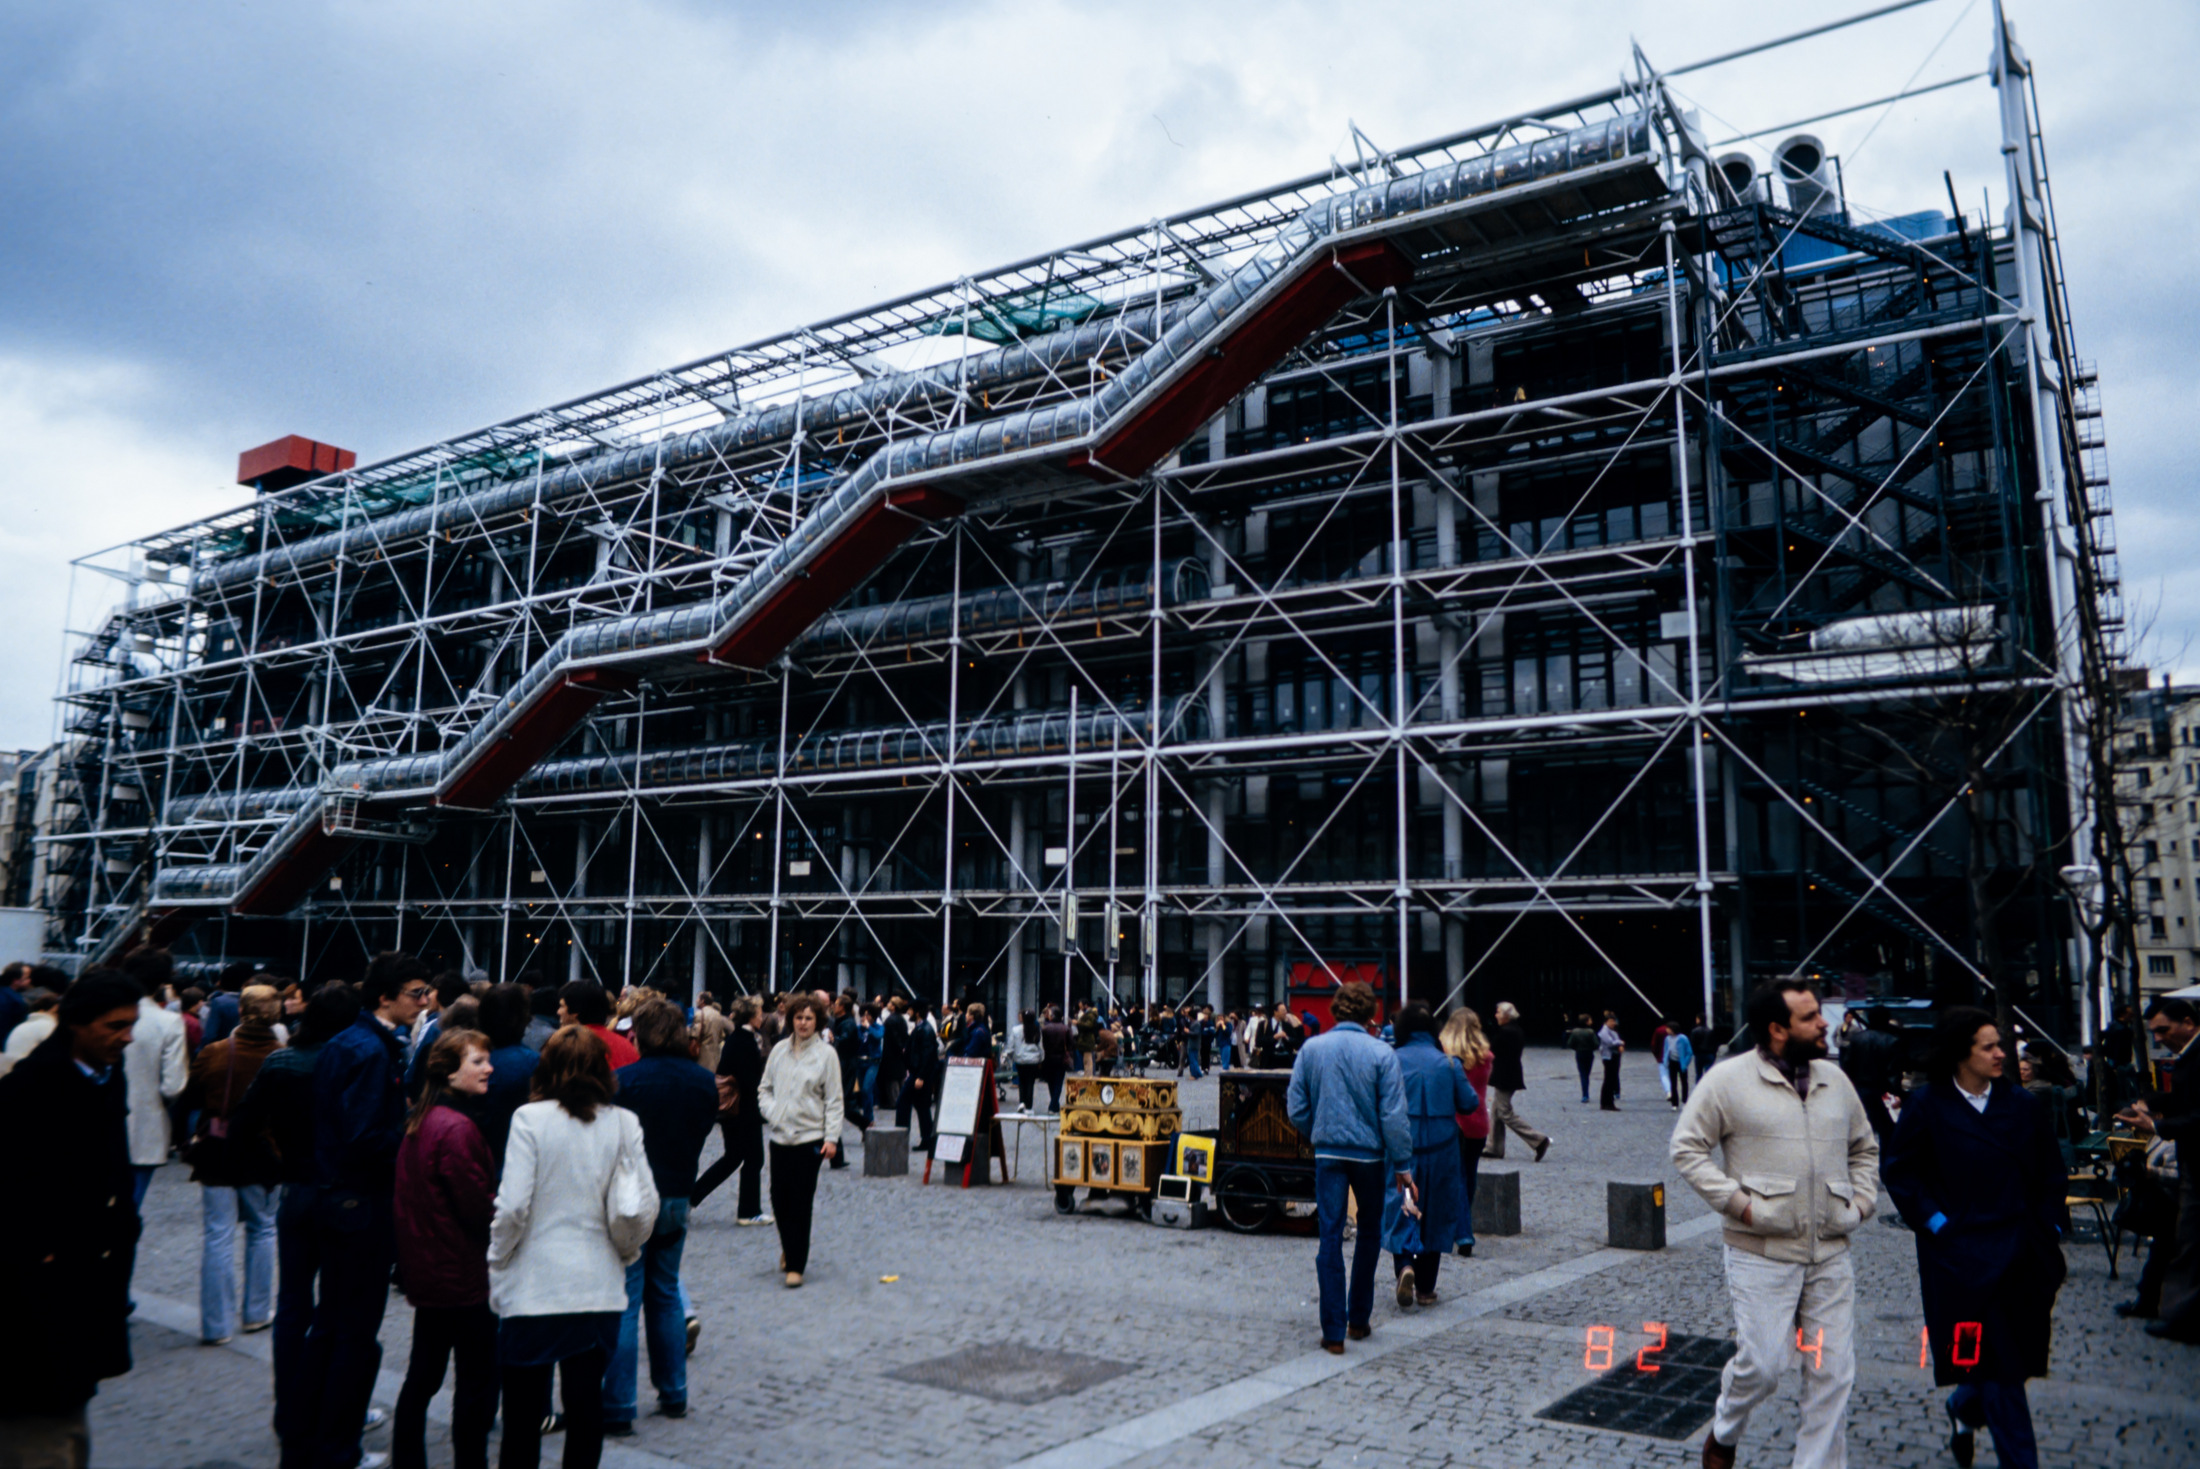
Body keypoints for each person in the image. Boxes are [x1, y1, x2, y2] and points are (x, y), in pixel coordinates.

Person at [1671, 978, 1877, 1469]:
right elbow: (1687, 1149)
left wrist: (1861, 1203)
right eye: (1810, 1017)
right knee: (1763, 1365)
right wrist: (1741, 1206)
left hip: (1830, 1252)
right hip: (1760, 1252)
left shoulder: (1835, 1080)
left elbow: (1864, 1148)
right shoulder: (1727, 1079)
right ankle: (1725, 1431)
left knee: (1833, 1373)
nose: (1824, 1023)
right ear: (1777, 1029)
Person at [1882, 1006, 2066, 1469]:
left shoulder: (2022, 1105)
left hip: (2022, 1253)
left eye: (2000, 1045)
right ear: (1960, 1053)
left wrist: (2048, 1228)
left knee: (2007, 1358)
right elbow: (1901, 1173)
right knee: (2001, 1366)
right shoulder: (1927, 1105)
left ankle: (1964, 1406)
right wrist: (1938, 1224)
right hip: (1960, 1258)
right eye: (1989, 1047)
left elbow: (2051, 1172)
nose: (2002, 1054)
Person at [491, 1027, 657, 1469]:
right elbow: (644, 1202)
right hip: (596, 1283)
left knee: (523, 1414)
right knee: (586, 1408)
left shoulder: (529, 1119)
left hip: (535, 1286)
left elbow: (512, 1207)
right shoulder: (623, 1123)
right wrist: (626, 1252)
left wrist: (498, 1257)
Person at [0, 970, 146, 1468]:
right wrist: (33, 1253)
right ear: (76, 1024)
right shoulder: (29, 1089)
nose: (127, 1037)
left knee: (70, 1414)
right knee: (41, 1425)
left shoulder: (107, 1073)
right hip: (41, 1287)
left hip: (86, 1275)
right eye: (115, 1025)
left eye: (131, 1024)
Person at [304, 952, 429, 1469]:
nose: (424, 1001)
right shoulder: (372, 1051)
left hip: (336, 1196)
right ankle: (339, 1446)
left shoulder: (349, 1042)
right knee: (354, 1331)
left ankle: (314, 1435)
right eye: (416, 993)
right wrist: (412, 1134)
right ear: (385, 996)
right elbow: (364, 1136)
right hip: (361, 1203)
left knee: (331, 1324)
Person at [230, 981, 360, 1469]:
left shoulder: (282, 1062)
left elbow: (243, 1126)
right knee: (336, 1310)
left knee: (292, 1306)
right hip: (340, 1190)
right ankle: (324, 1410)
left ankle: (290, 1411)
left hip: (297, 1188)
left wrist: (275, 1167)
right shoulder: (350, 1061)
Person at [603, 999, 718, 1432]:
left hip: (634, 1197)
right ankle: (674, 1392)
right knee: (666, 1292)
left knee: (626, 1299)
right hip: (677, 1192)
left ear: (641, 1035)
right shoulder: (703, 1081)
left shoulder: (625, 1081)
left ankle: (618, 1404)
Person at [1285, 981, 1413, 1355]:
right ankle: (1358, 1318)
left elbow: (1296, 1107)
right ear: (1371, 1014)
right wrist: (1402, 1163)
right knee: (1369, 1233)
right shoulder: (1382, 1053)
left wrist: (1320, 1131)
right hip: (1370, 1157)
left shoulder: (1312, 1049)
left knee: (1329, 1236)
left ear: (1336, 1010)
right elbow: (1394, 1116)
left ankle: (1333, 1331)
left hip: (1329, 1155)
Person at [392, 1029, 498, 1469]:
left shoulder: (426, 1118)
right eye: (478, 1061)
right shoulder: (455, 1127)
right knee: (474, 1382)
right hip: (460, 1273)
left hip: (431, 1267)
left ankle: (408, 1458)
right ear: (450, 1072)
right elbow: (476, 1206)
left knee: (423, 1375)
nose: (488, 1068)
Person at [183, 983, 285, 1344]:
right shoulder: (281, 1056)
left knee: (218, 1235)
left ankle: (216, 1326)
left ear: (241, 1011)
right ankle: (256, 1312)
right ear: (277, 1016)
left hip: (218, 1150)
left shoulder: (215, 1052)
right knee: (263, 1229)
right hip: (263, 1152)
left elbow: (190, 1098)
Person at [1383, 1003, 1478, 1304]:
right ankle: (1425, 1288)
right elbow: (1469, 1103)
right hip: (1442, 1150)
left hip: (1403, 1149)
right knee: (1436, 1214)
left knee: (1402, 1207)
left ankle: (1404, 1265)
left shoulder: (1391, 1060)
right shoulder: (1449, 1064)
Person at [2118, 996, 2200, 1343]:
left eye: (2164, 1030)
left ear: (2188, 1023)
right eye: (2155, 1032)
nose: (2159, 1038)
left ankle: (2182, 1319)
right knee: (2181, 1240)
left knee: (2189, 1243)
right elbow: (2186, 1103)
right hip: (2191, 1165)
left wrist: (2157, 1126)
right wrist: (2151, 1105)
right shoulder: (2189, 1056)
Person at [757, 994, 843, 1288]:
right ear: (791, 1019)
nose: (803, 1023)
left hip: (810, 1138)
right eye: (799, 1017)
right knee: (778, 1198)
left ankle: (796, 1264)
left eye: (809, 1018)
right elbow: (764, 1089)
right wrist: (773, 1112)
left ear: (818, 1021)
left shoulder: (827, 1055)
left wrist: (831, 1137)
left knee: (800, 1201)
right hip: (780, 1137)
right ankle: (788, 1245)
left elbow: (834, 1100)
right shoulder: (779, 1050)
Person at [119, 948, 190, 1209]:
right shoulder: (169, 1021)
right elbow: (173, 1085)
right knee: (128, 1209)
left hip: (92, 1127)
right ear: (162, 982)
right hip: (143, 1125)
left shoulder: (98, 1013)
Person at [693, 997, 769, 1225]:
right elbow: (748, 1081)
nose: (762, 1016)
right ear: (751, 1015)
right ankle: (748, 1211)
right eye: (759, 1012)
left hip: (734, 1111)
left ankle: (693, 1196)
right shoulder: (744, 1041)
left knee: (733, 1157)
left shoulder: (738, 1038)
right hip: (743, 1110)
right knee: (753, 1159)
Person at [1441, 1007, 1495, 1259]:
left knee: (1457, 1178)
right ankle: (1464, 1221)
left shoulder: (1447, 1059)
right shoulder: (1486, 1057)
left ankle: (1463, 1232)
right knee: (1470, 1174)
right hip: (1479, 1123)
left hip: (1456, 1122)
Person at [473, 983, 542, 1170]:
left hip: (475, 1155)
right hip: (516, 1156)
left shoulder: (467, 1055)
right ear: (521, 1018)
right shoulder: (532, 1062)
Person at [1483, 1002, 1550, 1163]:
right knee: (1496, 1111)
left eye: (1498, 1012)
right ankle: (1494, 1147)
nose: (1496, 1015)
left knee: (1504, 1112)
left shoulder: (1506, 1032)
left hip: (1504, 1076)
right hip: (1510, 1075)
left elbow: (1491, 1050)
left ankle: (1538, 1139)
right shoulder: (1515, 1030)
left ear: (1506, 1015)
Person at [557, 979, 639, 1068]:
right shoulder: (627, 1046)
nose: (558, 1012)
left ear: (575, 1011)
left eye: (562, 1006)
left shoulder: (569, 1047)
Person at [896, 1001, 940, 1154]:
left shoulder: (924, 1030)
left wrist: (920, 1076)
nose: (908, 1012)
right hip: (918, 1073)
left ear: (917, 1012)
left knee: (904, 1102)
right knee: (922, 1106)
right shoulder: (922, 1028)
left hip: (919, 1074)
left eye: (910, 1010)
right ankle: (927, 1139)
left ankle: (901, 1136)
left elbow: (927, 1055)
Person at [1007, 1010, 1044, 1112]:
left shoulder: (1015, 1030)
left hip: (1020, 1059)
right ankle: (1029, 1106)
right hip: (1033, 1060)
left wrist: (1009, 1055)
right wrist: (1041, 1059)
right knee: (1030, 1082)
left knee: (1022, 1081)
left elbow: (1011, 1045)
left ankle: (1022, 1102)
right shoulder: (1037, 1029)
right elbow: (1041, 1046)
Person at [876, 996, 909, 1112]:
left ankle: (894, 1101)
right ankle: (900, 1100)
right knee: (899, 1077)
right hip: (899, 1054)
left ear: (894, 1006)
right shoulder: (901, 1019)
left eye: (890, 1003)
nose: (888, 1004)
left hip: (890, 1053)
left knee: (892, 1079)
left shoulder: (890, 1020)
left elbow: (894, 1038)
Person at [689, 995, 733, 1075]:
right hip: (715, 1056)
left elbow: (695, 1034)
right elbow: (723, 1034)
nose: (696, 1001)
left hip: (701, 1055)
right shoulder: (718, 1015)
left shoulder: (699, 1014)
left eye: (697, 999)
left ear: (702, 1001)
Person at [1038, 1004, 1071, 1112]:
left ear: (1052, 1016)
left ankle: (1054, 1103)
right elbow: (1071, 1044)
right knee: (1058, 1082)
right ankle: (1054, 1104)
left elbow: (1042, 1044)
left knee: (1051, 1082)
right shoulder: (1065, 1028)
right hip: (1061, 1058)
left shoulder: (1045, 1029)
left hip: (1048, 1057)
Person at [1565, 1013, 1597, 1103]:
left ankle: (1585, 1094)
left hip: (1579, 1053)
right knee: (1587, 1073)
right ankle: (1586, 1093)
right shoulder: (1591, 1032)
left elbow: (1569, 1044)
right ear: (1587, 1021)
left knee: (1582, 1074)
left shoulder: (1575, 1031)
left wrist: (1576, 1048)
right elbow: (1596, 1044)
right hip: (1589, 1053)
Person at [1595, 1012, 1624, 1111]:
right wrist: (1620, 1042)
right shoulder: (1604, 1031)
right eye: (1611, 1021)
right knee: (1609, 1080)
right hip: (1609, 1057)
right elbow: (1610, 1042)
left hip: (1614, 1056)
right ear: (1606, 1022)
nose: (1613, 1023)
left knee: (1611, 1079)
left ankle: (1608, 1102)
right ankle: (1607, 1103)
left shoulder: (1613, 1031)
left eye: (1614, 1021)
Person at [1665, 1023, 1696, 1110]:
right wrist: (1665, 1060)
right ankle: (1674, 1103)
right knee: (1673, 1082)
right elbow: (1666, 1050)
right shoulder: (1667, 1039)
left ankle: (1685, 1100)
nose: (1666, 1030)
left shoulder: (1683, 1038)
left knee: (1684, 1082)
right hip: (1672, 1061)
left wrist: (1685, 1063)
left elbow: (1689, 1052)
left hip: (1681, 1063)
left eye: (1668, 1028)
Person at [1690, 1013, 1716, 1084]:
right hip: (1709, 1054)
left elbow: (1693, 1044)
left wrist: (1695, 1052)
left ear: (1699, 1020)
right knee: (1709, 1073)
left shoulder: (1695, 1031)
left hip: (1699, 1054)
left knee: (1699, 1074)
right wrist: (1714, 1054)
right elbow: (1714, 1044)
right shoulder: (1710, 1031)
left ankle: (1699, 1087)